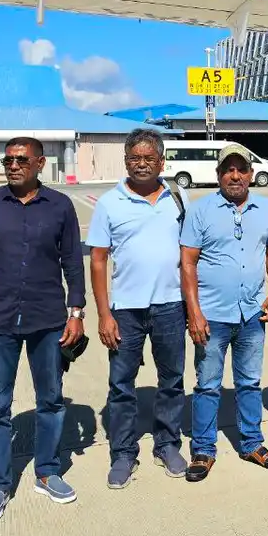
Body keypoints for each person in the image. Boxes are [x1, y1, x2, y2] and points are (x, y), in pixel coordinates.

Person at [0, 136, 86, 525]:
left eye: (21, 160)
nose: (13, 166)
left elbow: (72, 262)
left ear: (40, 164)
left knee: (51, 399)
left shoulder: (60, 206)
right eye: (8, 160)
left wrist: (76, 311)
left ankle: (47, 472)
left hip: (47, 320)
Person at [87, 128, 189, 488]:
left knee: (172, 380)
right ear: (126, 161)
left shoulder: (178, 198)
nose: (141, 164)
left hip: (171, 306)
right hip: (126, 310)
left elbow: (190, 252)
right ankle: (123, 453)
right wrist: (104, 314)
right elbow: (98, 259)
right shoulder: (109, 203)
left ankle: (167, 444)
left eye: (149, 158)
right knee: (121, 385)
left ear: (162, 162)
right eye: (135, 158)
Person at [180, 142, 268, 482]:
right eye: (228, 169)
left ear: (251, 174)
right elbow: (187, 263)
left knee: (250, 382)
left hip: (252, 313)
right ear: (218, 175)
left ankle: (252, 443)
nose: (235, 175)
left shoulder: (265, 208)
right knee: (208, 385)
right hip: (212, 315)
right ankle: (203, 449)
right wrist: (194, 312)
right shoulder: (201, 210)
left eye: (241, 169)